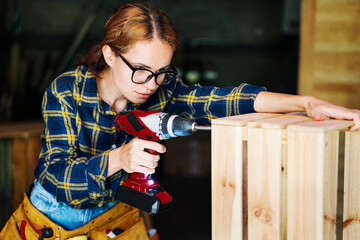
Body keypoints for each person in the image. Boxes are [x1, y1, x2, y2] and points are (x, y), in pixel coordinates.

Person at [1, 2, 360, 239]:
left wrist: (307, 103)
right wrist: (119, 159)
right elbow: (56, 174)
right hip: (50, 218)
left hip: (117, 218)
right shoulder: (67, 91)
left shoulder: (161, 90)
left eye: (161, 71)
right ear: (110, 55)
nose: (152, 84)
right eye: (141, 70)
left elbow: (224, 99)